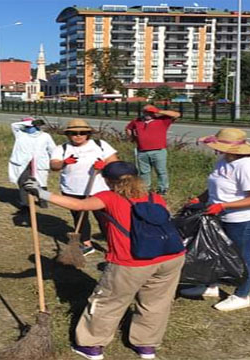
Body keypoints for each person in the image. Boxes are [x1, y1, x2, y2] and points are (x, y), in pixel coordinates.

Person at [24, 161, 185, 360]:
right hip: (171, 257)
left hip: (131, 262)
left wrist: (40, 192)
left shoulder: (109, 198)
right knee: (156, 303)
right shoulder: (156, 198)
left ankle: (91, 346)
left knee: (109, 302)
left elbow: (79, 205)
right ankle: (146, 346)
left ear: (108, 181)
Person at [180, 128, 250, 312]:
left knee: (242, 257)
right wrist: (200, 199)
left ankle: (242, 295)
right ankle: (211, 285)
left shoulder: (247, 167)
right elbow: (217, 186)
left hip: (242, 220)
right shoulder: (223, 161)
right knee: (217, 252)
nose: (215, 149)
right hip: (219, 215)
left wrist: (223, 206)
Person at [50, 119, 118, 256]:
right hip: (72, 189)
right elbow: (54, 166)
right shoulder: (61, 148)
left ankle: (113, 245)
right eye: (74, 133)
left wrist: (104, 165)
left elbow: (115, 163)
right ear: (68, 135)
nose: (78, 135)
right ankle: (86, 244)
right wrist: (64, 163)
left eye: (82, 132)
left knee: (104, 219)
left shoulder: (100, 145)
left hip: (99, 190)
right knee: (80, 217)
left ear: (88, 133)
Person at [125, 105, 180, 195]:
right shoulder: (137, 121)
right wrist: (132, 137)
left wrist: (159, 111)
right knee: (144, 172)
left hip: (158, 151)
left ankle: (163, 188)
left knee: (161, 170)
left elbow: (176, 115)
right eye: (146, 112)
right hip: (142, 151)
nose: (148, 114)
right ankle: (146, 188)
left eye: (150, 112)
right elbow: (128, 128)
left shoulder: (162, 120)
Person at [8, 117, 56, 209]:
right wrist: (31, 122)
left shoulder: (45, 136)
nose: (29, 127)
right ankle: (26, 205)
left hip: (39, 164)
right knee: (23, 184)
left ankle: (43, 203)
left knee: (41, 184)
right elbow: (14, 125)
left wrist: (53, 161)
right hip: (23, 164)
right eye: (28, 125)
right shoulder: (20, 134)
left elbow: (52, 150)